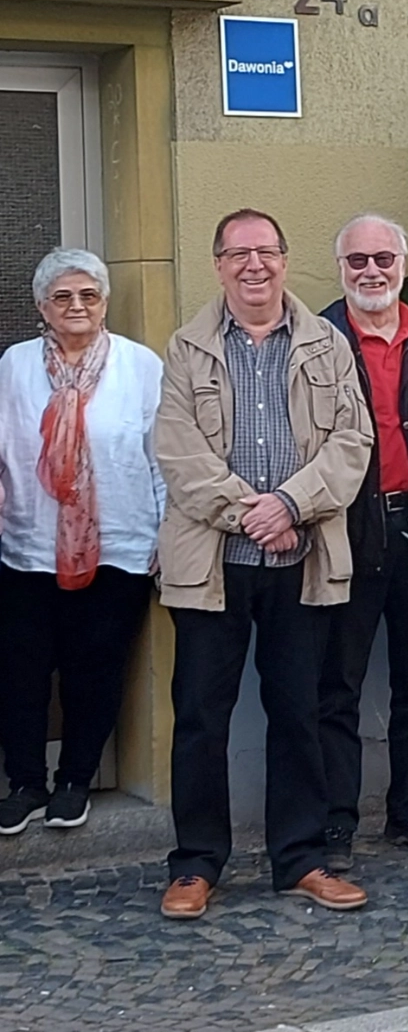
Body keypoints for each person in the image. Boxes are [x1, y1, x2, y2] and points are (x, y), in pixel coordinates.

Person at [154, 210, 374, 920]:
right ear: (219, 264)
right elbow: (178, 450)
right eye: (238, 253)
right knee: (199, 716)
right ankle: (195, 865)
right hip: (212, 562)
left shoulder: (328, 345)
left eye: (266, 251)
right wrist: (249, 513)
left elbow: (353, 442)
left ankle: (301, 858)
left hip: (300, 558)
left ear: (284, 258)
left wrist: (290, 505)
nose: (254, 264)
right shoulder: (187, 348)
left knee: (299, 712)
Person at [317, 215, 408, 870]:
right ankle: (334, 823)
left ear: (404, 265)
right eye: (358, 260)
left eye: (383, 258)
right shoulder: (315, 341)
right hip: (343, 531)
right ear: (340, 268)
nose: (371, 271)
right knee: (335, 688)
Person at [0, 249, 164, 836]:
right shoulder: (15, 365)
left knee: (93, 670)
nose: (77, 306)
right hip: (26, 546)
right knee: (19, 672)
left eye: (88, 295)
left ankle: (74, 782)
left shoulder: (140, 366)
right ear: (42, 307)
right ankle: (25, 784)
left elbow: (161, 457)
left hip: (118, 545)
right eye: (63, 296)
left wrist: (166, 535)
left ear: (104, 303)